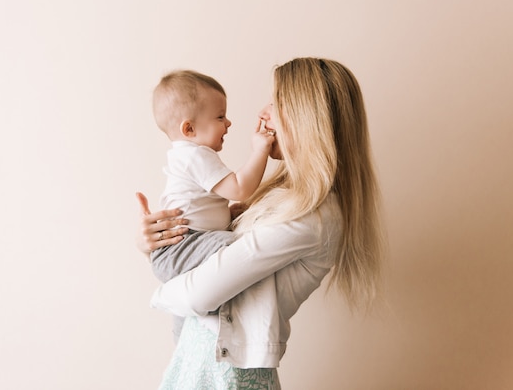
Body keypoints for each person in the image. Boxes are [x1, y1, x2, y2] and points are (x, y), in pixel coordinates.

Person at [136, 57, 385, 389]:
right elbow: (206, 260)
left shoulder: (313, 216)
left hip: (228, 374)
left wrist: (159, 291)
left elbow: (198, 296)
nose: (262, 113)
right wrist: (157, 244)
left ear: (306, 117)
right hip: (200, 365)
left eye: (276, 102)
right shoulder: (282, 197)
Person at [148, 70, 276, 340]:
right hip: (183, 245)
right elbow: (240, 189)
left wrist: (222, 215)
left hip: (183, 244)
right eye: (220, 117)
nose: (228, 123)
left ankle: (184, 348)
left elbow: (200, 206)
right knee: (239, 246)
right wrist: (260, 150)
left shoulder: (189, 155)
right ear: (189, 129)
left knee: (189, 319)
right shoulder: (196, 156)